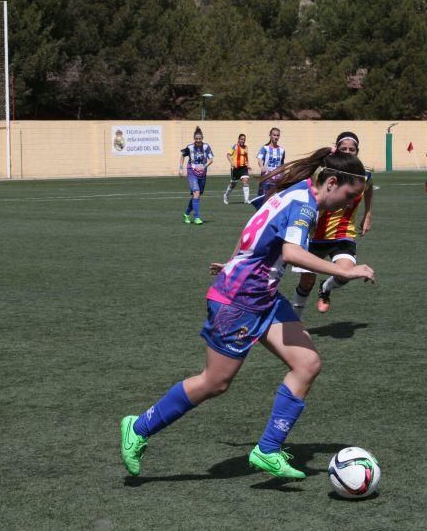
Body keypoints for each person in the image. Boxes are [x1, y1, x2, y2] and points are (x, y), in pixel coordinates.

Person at [120, 148, 375, 480]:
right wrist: (345, 271)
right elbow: (292, 253)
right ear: (331, 182)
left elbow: (256, 231)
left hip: (263, 296)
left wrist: (235, 262)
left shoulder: (293, 192)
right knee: (215, 382)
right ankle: (138, 427)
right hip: (238, 300)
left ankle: (268, 449)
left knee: (307, 363)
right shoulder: (303, 205)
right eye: (348, 195)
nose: (347, 204)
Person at [291, 131, 373, 316]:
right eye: (343, 148)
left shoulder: (364, 177)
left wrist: (368, 214)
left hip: (344, 233)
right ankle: (295, 319)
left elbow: (368, 190)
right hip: (316, 235)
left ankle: (326, 288)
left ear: (357, 151)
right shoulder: (323, 173)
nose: (347, 151)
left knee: (346, 272)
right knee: (306, 282)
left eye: (352, 149)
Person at [179, 126, 214, 225]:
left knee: (197, 196)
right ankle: (197, 217)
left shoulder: (206, 147)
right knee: (196, 193)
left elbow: (211, 160)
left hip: (202, 173)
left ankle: (186, 214)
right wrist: (181, 168)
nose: (198, 140)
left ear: (202, 138)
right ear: (194, 139)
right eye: (196, 139)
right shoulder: (190, 147)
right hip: (191, 172)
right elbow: (182, 155)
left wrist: (204, 166)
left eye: (200, 138)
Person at [255, 127, 285, 200]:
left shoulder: (282, 150)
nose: (276, 137)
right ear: (270, 135)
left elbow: (282, 164)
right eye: (274, 135)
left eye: (277, 135)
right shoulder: (265, 148)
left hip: (277, 176)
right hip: (266, 175)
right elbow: (259, 159)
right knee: (263, 197)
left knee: (275, 198)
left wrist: (283, 173)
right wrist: (262, 167)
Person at [223, 134, 251, 205]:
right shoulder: (234, 146)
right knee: (233, 184)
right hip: (236, 168)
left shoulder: (246, 147)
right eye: (241, 139)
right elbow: (228, 155)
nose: (243, 140)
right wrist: (232, 163)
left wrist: (247, 165)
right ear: (238, 139)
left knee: (245, 181)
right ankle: (226, 195)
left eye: (244, 139)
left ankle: (246, 200)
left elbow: (246, 157)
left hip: (244, 168)